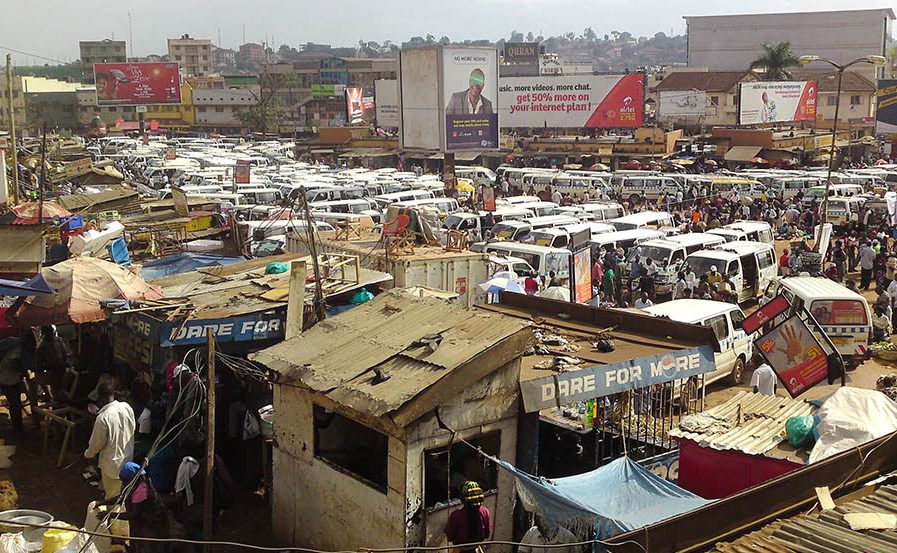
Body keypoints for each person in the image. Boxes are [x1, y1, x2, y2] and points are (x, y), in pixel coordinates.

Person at [97, 462, 170, 553]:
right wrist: (103, 502)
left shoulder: (142, 489)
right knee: (136, 542)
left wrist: (109, 514)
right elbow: (122, 497)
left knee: (148, 546)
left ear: (131, 479)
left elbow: (133, 513)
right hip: (140, 522)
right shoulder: (133, 485)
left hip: (150, 522)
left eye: (124, 480)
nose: (123, 482)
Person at [85, 382, 136, 499]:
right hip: (127, 460)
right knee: (124, 495)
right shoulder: (127, 407)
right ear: (113, 393)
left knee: (113, 498)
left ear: (100, 397)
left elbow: (95, 445)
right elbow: (132, 428)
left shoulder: (102, 418)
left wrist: (88, 454)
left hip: (111, 466)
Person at [0, 332, 35, 436]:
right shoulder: (21, 351)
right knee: (15, 403)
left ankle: (18, 426)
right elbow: (20, 366)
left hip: (5, 377)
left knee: (15, 402)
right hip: (8, 379)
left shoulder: (10, 340)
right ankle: (18, 428)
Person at [445, 481, 492, 553]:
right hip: (477, 549)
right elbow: (487, 534)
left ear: (462, 498)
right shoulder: (485, 511)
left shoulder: (456, 516)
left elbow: (450, 537)